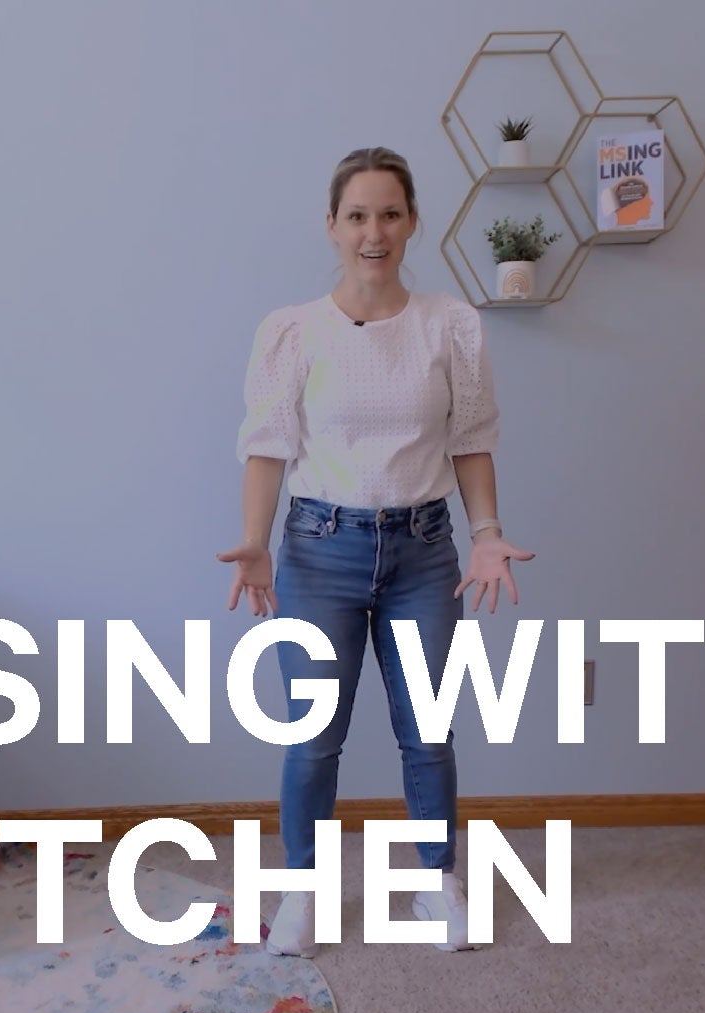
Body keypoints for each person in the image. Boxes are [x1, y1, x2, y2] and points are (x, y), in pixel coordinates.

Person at [217, 146, 533, 957]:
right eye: (357, 215)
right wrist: (255, 544)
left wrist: (487, 533)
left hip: (424, 550)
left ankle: (438, 882)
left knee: (428, 730)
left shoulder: (451, 326)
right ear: (331, 226)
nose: (374, 232)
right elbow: (268, 446)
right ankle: (304, 894)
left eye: (389, 213)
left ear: (412, 222)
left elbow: (471, 440)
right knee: (312, 734)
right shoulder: (291, 331)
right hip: (321, 548)